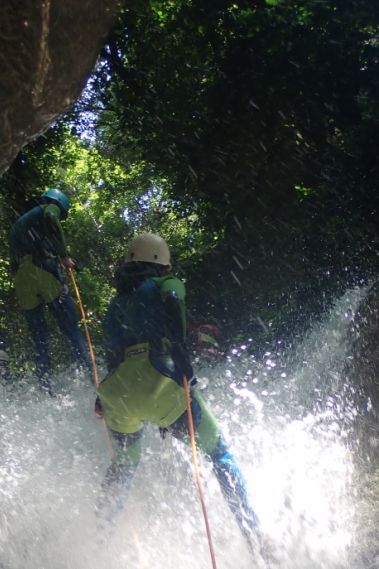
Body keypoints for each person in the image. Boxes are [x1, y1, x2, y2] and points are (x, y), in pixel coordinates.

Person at [96, 233, 260, 545]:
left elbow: (113, 357)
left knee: (124, 463)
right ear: (161, 263)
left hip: (118, 396)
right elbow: (173, 302)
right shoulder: (166, 283)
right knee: (219, 452)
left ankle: (99, 536)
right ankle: (253, 532)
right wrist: (180, 349)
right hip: (162, 385)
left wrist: (101, 398)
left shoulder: (115, 305)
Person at [9, 188, 92, 392]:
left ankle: (45, 388)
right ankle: (92, 378)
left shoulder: (21, 222)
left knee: (40, 339)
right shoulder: (48, 208)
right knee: (70, 328)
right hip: (42, 267)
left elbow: (13, 262)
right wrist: (63, 256)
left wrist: (17, 294)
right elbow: (51, 218)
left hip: (22, 278)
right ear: (59, 204)